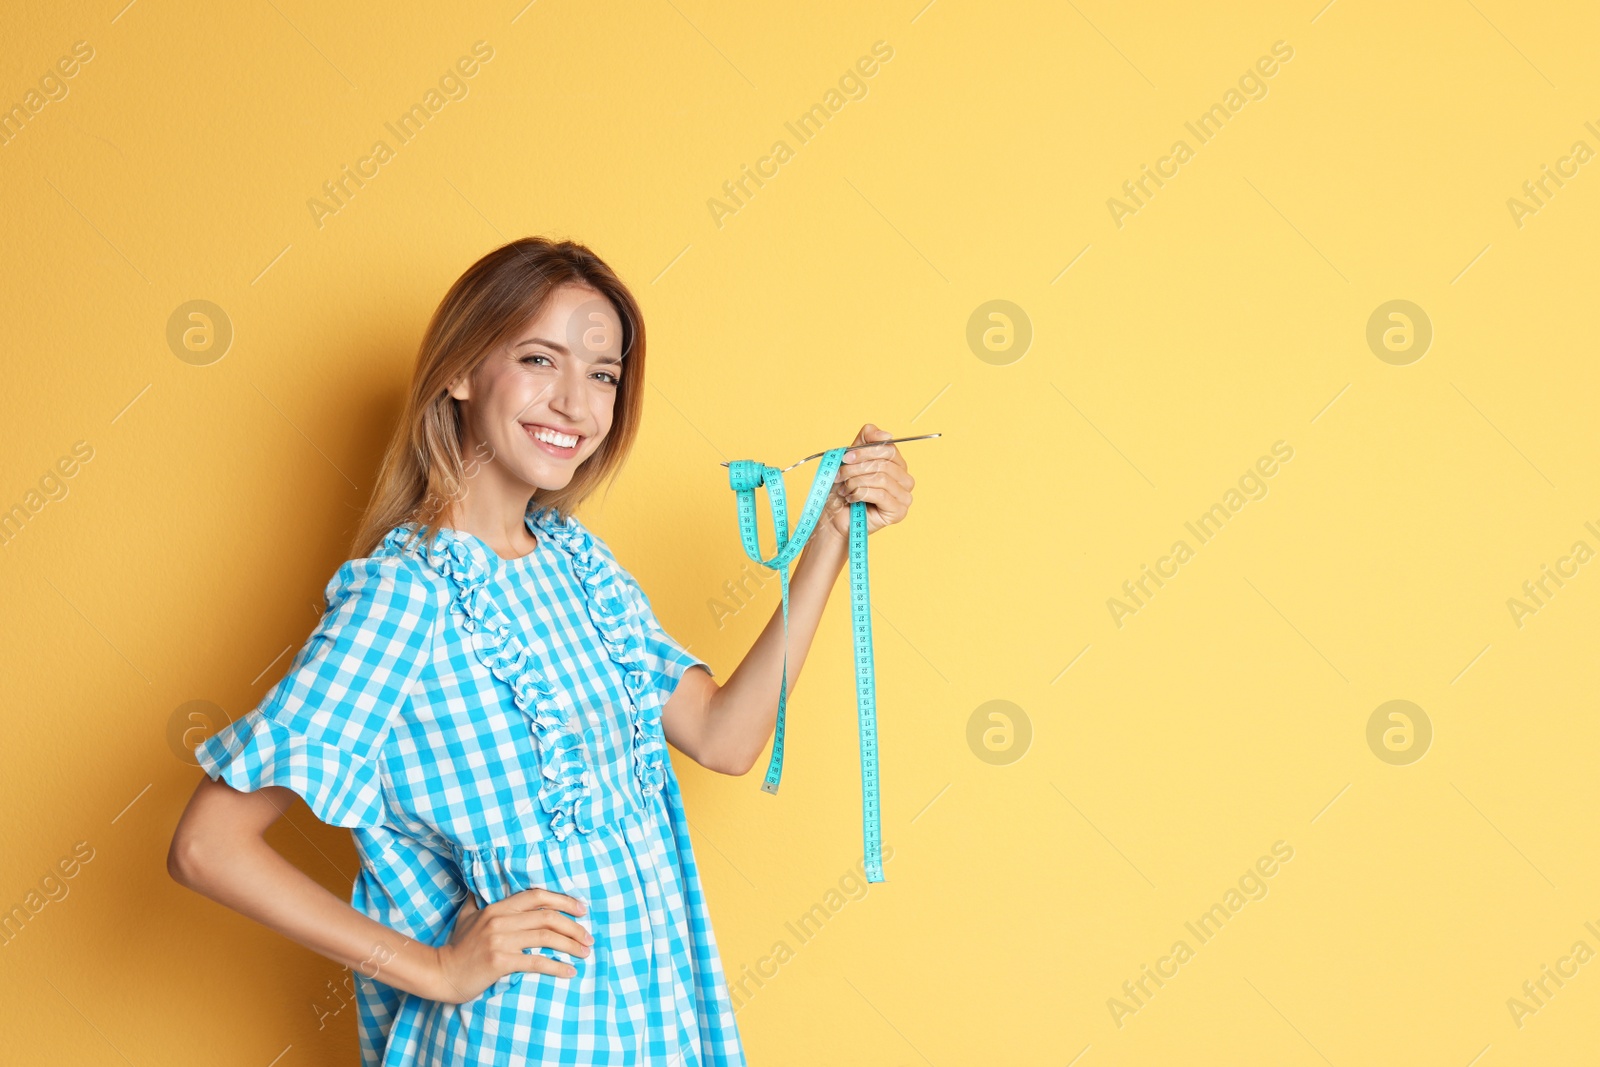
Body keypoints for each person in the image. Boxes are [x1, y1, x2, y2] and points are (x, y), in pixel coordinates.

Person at [166, 236, 917, 1065]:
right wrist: (438, 968)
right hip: (515, 1041)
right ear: (458, 371)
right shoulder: (407, 596)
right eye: (538, 359)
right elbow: (208, 844)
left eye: (602, 374)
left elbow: (726, 737)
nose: (575, 402)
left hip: (650, 1026)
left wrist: (833, 536)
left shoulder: (578, 567)